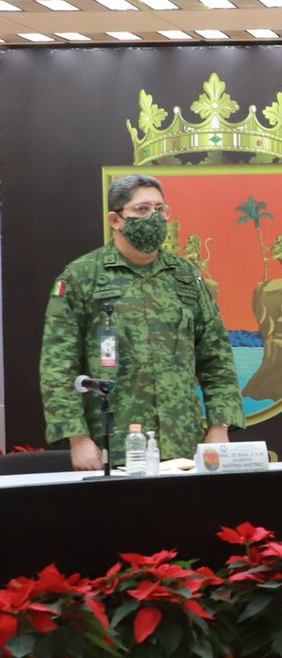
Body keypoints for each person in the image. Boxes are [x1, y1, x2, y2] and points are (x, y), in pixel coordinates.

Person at [40, 173, 244, 471]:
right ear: (116, 220)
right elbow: (58, 365)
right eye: (142, 209)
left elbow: (217, 357)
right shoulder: (81, 277)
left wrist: (220, 425)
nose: (154, 217)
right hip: (114, 445)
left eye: (160, 209)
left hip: (184, 444)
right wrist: (77, 436)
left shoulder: (185, 275)